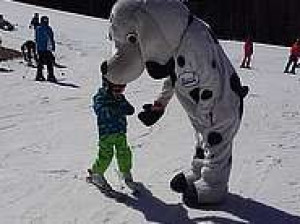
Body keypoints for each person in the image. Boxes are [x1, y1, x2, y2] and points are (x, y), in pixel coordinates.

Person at [102, 0, 248, 207]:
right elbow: (174, 75)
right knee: (201, 139)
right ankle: (198, 171)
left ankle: (214, 184)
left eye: (135, 39)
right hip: (200, 105)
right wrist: (159, 104)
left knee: (216, 141)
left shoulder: (196, 41)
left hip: (221, 104)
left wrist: (207, 115)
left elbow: (212, 79)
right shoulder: (176, 42)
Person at [87, 70, 138, 192]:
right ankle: (96, 174)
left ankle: (125, 172)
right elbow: (99, 110)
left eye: (122, 89)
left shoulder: (120, 97)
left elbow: (128, 108)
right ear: (107, 86)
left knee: (124, 153)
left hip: (120, 131)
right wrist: (113, 110)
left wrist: (128, 108)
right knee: (106, 155)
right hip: (107, 133)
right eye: (116, 90)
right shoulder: (100, 97)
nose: (119, 93)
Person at [35, 16, 57, 82]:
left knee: (40, 62)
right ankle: (50, 76)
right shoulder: (48, 29)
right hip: (47, 48)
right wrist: (53, 46)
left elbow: (36, 38)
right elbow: (51, 38)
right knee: (49, 62)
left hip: (40, 48)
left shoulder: (38, 28)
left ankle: (39, 75)